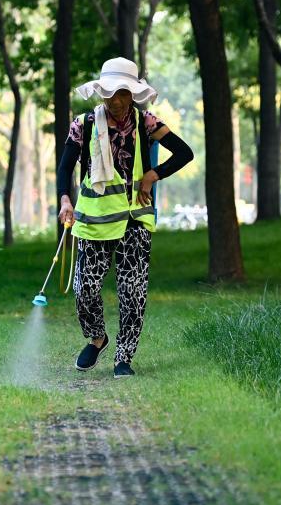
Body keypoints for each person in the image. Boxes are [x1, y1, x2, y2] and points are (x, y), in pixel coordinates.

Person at [57, 57, 193, 377]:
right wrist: (64, 199)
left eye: (121, 93)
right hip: (95, 218)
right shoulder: (84, 124)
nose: (115, 101)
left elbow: (184, 153)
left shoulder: (146, 123)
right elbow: (65, 167)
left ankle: (123, 357)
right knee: (85, 287)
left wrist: (153, 175)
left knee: (132, 291)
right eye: (109, 93)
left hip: (134, 218)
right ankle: (97, 337)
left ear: (132, 94)